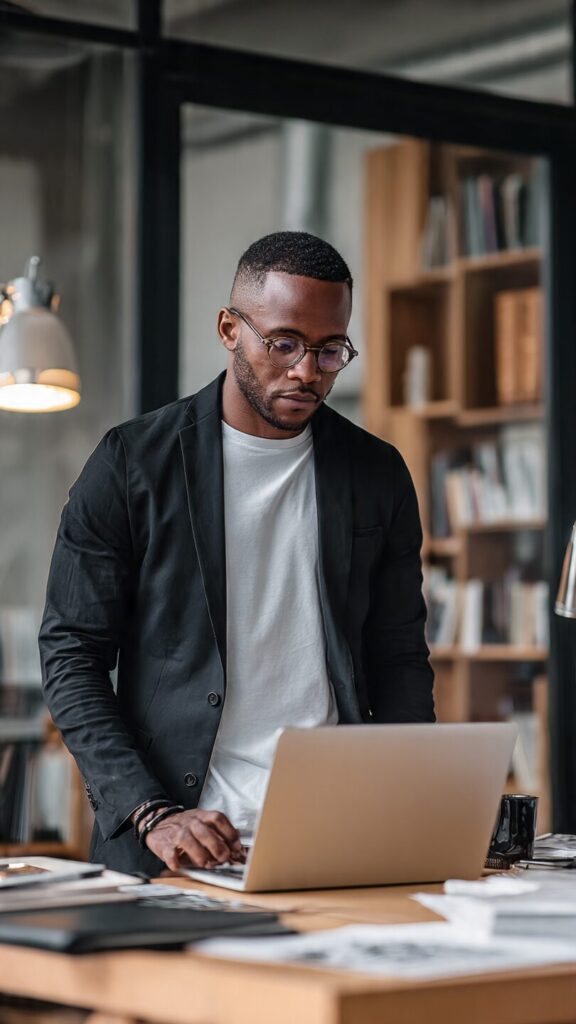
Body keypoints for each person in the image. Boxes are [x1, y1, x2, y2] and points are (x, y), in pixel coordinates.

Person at [39, 231, 434, 876]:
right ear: (229, 329)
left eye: (330, 350)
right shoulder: (131, 465)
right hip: (170, 847)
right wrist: (152, 814)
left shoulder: (377, 474)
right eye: (282, 343)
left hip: (336, 844)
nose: (306, 371)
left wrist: (402, 803)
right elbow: (72, 656)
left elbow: (400, 660)